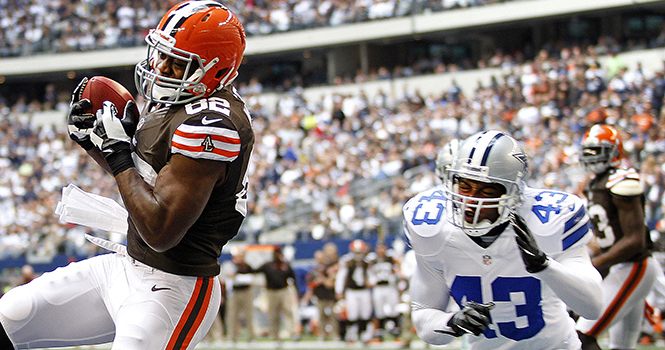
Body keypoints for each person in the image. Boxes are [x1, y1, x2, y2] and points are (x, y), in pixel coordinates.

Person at [0, 1, 253, 349]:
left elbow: (160, 230)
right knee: (12, 314)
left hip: (174, 287)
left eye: (177, 63)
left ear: (215, 70)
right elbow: (146, 182)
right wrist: (98, 146)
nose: (161, 66)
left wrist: (118, 155)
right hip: (126, 267)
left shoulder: (213, 125)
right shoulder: (178, 102)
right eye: (161, 54)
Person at [404, 130, 604, 349]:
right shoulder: (431, 225)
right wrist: (452, 322)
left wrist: (545, 266)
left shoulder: (549, 221)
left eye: (487, 191)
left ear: (513, 192)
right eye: (465, 186)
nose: (470, 200)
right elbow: (424, 316)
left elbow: (592, 307)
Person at [575, 124, 661, 350]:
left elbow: (635, 240)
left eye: (597, 150)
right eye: (588, 151)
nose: (591, 156)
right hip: (622, 267)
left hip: (634, 265)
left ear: (614, 151)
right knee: (621, 346)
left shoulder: (622, 180)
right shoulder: (595, 183)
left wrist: (594, 265)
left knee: (582, 336)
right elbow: (607, 234)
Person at [256, 246, 298, 342]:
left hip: (284, 291)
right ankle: (275, 335)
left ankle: (293, 332)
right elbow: (255, 270)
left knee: (288, 311)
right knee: (273, 314)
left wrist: (296, 291)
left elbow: (293, 278)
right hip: (271, 292)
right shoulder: (268, 265)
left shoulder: (285, 265)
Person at [335, 239, 374, 344]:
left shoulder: (367, 261)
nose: (358, 254)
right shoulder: (347, 261)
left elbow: (371, 275)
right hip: (351, 291)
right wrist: (339, 290)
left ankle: (365, 335)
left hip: (364, 291)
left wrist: (371, 282)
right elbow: (341, 277)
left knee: (365, 313)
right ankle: (351, 335)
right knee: (352, 313)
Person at [302, 249, 340, 341]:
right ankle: (322, 335)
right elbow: (311, 284)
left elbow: (332, 282)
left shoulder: (329, 268)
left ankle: (335, 335)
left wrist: (323, 280)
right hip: (319, 295)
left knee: (333, 316)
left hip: (330, 295)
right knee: (321, 316)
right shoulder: (314, 270)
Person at [367, 242, 401, 341]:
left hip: (390, 286)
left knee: (394, 308)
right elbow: (369, 272)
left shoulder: (390, 258)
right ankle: (379, 332)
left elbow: (397, 270)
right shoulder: (372, 260)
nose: (381, 250)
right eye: (379, 248)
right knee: (379, 310)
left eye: (383, 248)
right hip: (378, 287)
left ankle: (396, 331)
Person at [224, 247, 256, 343]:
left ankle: (251, 337)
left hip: (246, 292)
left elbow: (251, 279)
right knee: (232, 315)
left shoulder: (247, 266)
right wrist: (239, 278)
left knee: (249, 315)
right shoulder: (230, 265)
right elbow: (229, 276)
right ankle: (232, 337)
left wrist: (238, 277)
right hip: (234, 293)